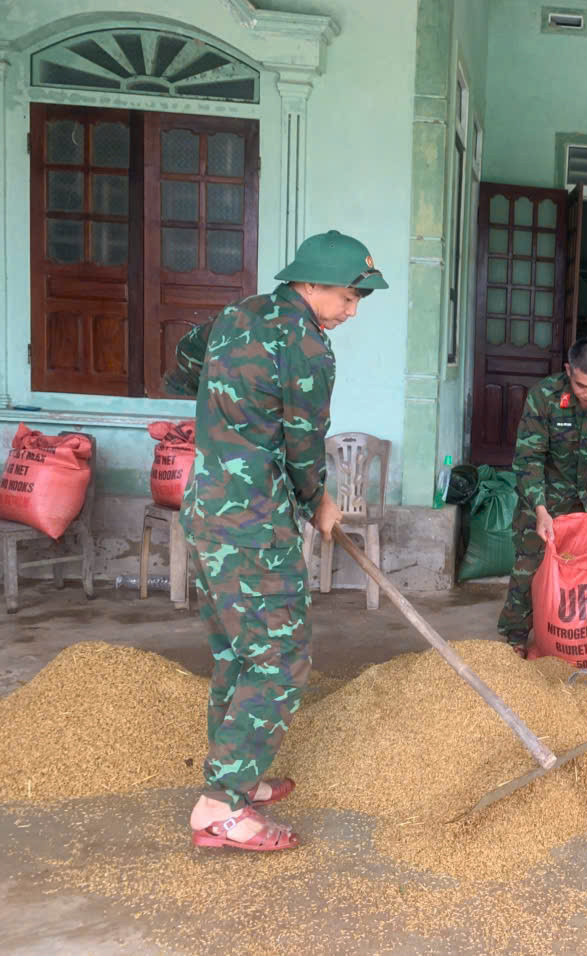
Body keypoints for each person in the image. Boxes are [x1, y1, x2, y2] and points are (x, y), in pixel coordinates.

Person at [171, 230, 387, 851]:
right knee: (281, 660)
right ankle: (221, 808)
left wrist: (227, 412)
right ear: (312, 284)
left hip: (206, 509)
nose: (352, 311)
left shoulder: (235, 315)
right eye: (348, 297)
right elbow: (303, 440)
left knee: (236, 653)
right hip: (254, 527)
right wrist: (318, 499)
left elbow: (185, 364)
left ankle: (237, 777)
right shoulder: (310, 347)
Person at [498, 338, 587, 655]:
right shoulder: (543, 397)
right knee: (530, 564)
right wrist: (540, 510)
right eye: (581, 385)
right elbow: (528, 459)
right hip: (548, 494)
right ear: (568, 371)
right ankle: (514, 638)